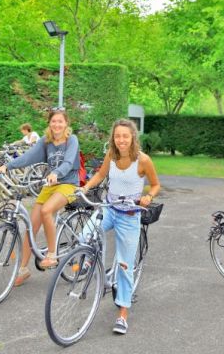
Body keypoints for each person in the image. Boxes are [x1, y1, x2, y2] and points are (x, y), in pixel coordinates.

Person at [81, 119, 161, 335]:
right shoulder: (111, 155)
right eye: (117, 136)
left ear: (133, 137)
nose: (121, 140)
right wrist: (85, 187)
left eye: (125, 136)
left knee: (125, 266)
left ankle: (123, 313)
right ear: (113, 138)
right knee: (86, 233)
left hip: (129, 215)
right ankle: (90, 260)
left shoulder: (143, 160)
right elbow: (100, 175)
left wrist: (148, 196)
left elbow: (156, 184)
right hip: (109, 209)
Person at [0, 109, 80, 285]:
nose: (57, 125)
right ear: (49, 123)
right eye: (53, 121)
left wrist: (56, 172)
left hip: (68, 184)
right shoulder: (46, 141)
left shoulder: (72, 140)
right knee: (30, 227)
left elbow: (69, 162)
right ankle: (23, 269)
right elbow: (28, 157)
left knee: (47, 210)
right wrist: (7, 167)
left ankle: (52, 253)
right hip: (50, 184)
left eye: (60, 122)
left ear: (66, 124)